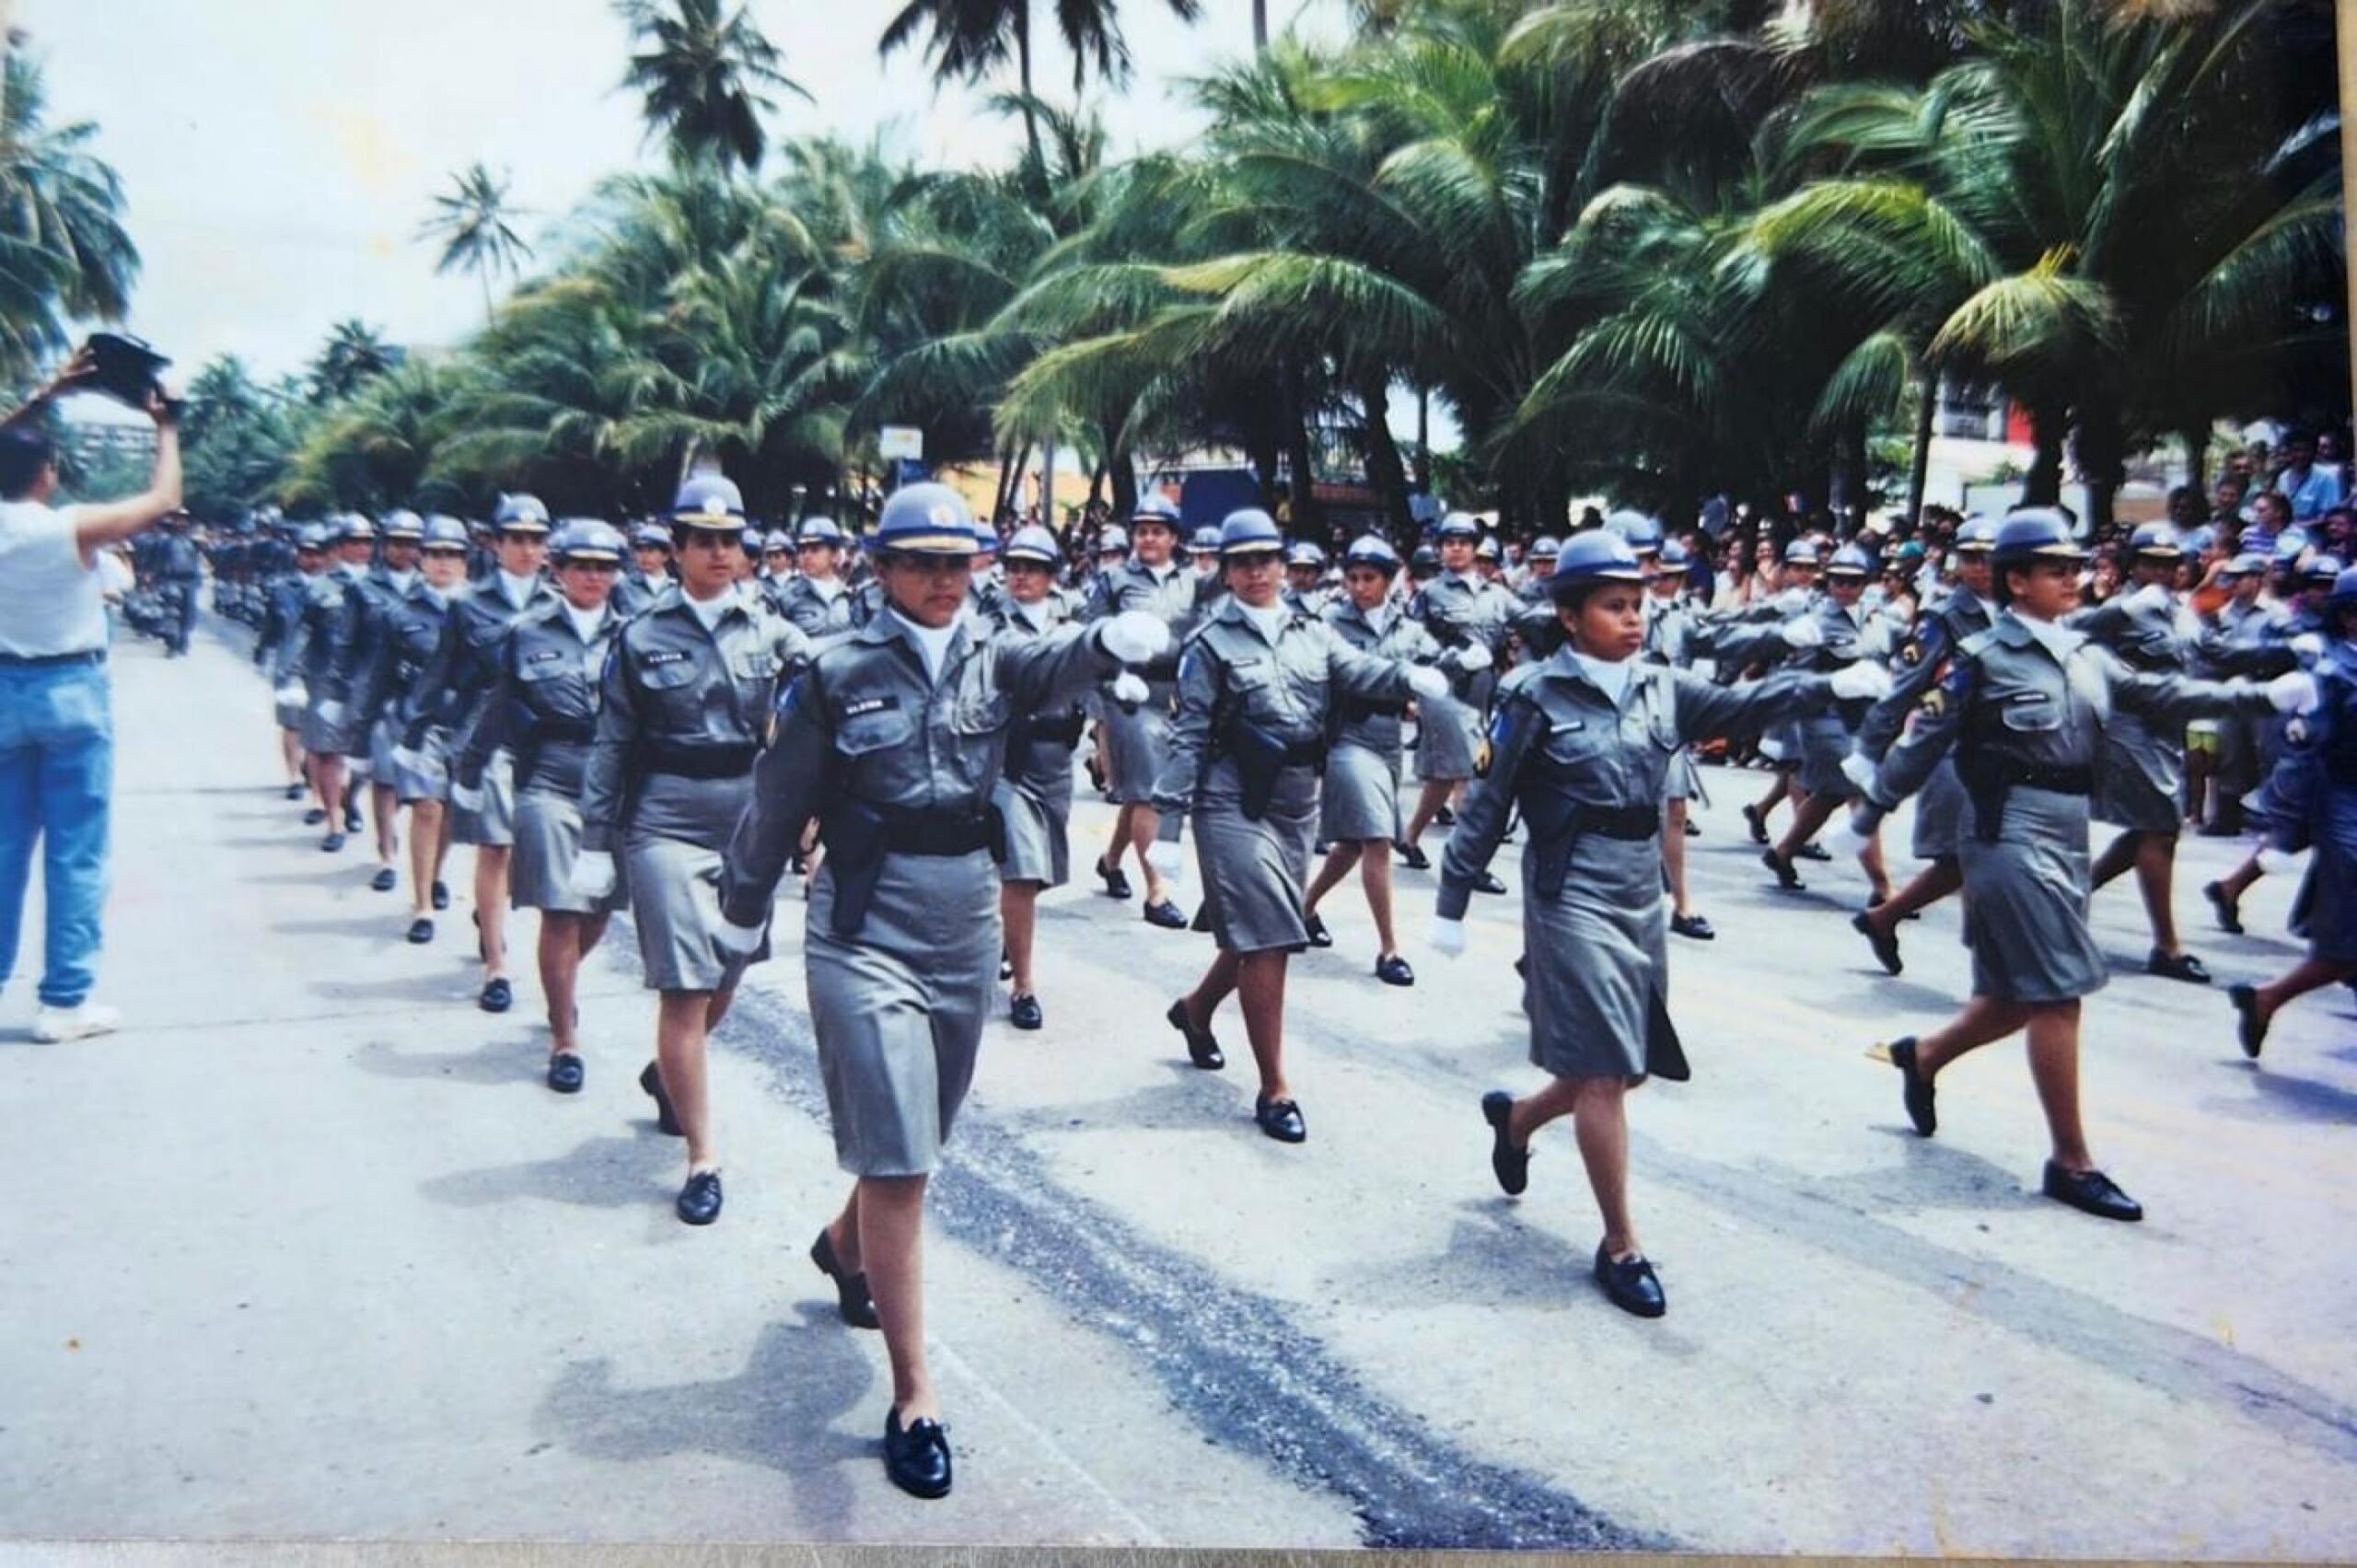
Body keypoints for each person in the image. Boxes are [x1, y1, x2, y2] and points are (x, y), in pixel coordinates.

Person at [718, 481, 1168, 1500]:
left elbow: (1058, 661)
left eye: (957, 561)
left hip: (963, 915)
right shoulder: (832, 672)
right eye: (919, 561)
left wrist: (1109, 640)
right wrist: (741, 915)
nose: (940, 579)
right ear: (880, 567)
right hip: (863, 920)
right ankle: (915, 1393)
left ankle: (846, 1248)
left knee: (918, 1134)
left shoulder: (995, 654)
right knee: (903, 1158)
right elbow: (778, 800)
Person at [1436, 530, 1888, 1317]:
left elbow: (1745, 705)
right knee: (1606, 1069)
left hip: (1638, 888)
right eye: (1613, 606)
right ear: (1570, 616)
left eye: (1638, 604)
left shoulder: (1661, 687)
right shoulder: (1532, 695)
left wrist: (1828, 685)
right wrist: (1452, 901)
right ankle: (1621, 1245)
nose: (1633, 618)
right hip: (1569, 889)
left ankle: (1518, 1119)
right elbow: (1489, 802)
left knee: (1622, 1068)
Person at [1848, 510, 2312, 1224]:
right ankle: (2071, 1161)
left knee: (2013, 997)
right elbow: (1922, 740)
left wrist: (2259, 696)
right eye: (2056, 569)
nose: (2074, 578)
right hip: (2006, 831)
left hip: (2068, 831)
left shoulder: (2084, 652)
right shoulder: (1980, 657)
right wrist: (1869, 809)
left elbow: (2162, 693)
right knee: (2059, 992)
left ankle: (1926, 1056)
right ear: (2017, 581)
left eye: (2076, 567)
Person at [1156, 510, 1450, 1142]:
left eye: (1266, 560)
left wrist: (1408, 678)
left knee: (1260, 929)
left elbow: (1359, 671)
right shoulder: (1209, 644)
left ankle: (1197, 1009)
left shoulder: (1313, 632)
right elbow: (1188, 733)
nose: (1256, 572)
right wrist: (1167, 825)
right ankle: (1274, 1086)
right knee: (1270, 937)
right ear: (1226, 572)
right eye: (1242, 562)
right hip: (1231, 797)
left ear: (1283, 566)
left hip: (1294, 798)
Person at [579, 474, 814, 1225]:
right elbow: (611, 744)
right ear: (675, 548)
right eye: (703, 540)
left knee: (727, 973)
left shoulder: (772, 631)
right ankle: (702, 1157)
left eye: (730, 540)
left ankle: (667, 1074)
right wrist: (595, 839)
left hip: (747, 820)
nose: (719, 552)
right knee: (684, 986)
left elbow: (828, 686)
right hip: (665, 820)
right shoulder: (640, 636)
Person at [0, 356, 181, 1042]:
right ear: (47, 474)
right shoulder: (69, 528)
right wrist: (166, 428)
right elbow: (162, 500)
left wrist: (48, 392)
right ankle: (64, 1003)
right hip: (71, 690)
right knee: (76, 851)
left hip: (4, 690)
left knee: (3, 848)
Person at [452, 520, 630, 1092]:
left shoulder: (637, 634)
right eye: (582, 566)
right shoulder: (525, 634)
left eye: (605, 568)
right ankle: (563, 1038)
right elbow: (499, 708)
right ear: (559, 571)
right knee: (561, 908)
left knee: (599, 909)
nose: (593, 577)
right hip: (549, 777)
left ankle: (561, 986)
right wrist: (470, 770)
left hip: (614, 785)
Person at [403, 494, 557, 1012]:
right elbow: (439, 673)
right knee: (496, 847)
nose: (527, 550)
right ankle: (496, 965)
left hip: (544, 742)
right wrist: (413, 738)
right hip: (486, 738)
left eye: (537, 540)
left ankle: (489, 914)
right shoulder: (469, 606)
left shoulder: (558, 604)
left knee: (526, 852)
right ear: (496, 544)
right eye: (517, 539)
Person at [987, 525, 1139, 1028]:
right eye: (1014, 567)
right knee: (1022, 868)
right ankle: (1024, 986)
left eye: (1033, 568)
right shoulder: (989, 624)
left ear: (1052, 575)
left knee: (1038, 874)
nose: (1021, 576)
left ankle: (1006, 936)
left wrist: (1115, 702)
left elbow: (1092, 680)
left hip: (1056, 763)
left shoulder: (1071, 627)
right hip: (1008, 760)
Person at [1300, 534, 1460, 983]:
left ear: (1388, 580)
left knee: (1352, 845)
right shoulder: (1328, 621)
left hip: (1388, 739)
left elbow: (1435, 662)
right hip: (1347, 736)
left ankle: (1304, 907)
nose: (1359, 586)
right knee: (1377, 839)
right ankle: (1389, 950)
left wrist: (1459, 661)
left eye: (1369, 578)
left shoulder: (1406, 627)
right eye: (1352, 577)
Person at [1846, 516, 1998, 974]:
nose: (1981, 567)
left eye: (1989, 558)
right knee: (1969, 858)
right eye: (1971, 558)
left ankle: (1884, 918)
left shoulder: (2019, 610)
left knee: (1968, 861)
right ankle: (1991, 970)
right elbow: (1905, 686)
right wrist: (1870, 749)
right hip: (1952, 748)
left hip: (2003, 752)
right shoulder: (1943, 617)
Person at [2069, 523, 2212, 981]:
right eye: (2151, 563)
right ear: (2133, 565)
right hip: (2130, 727)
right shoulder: (2122, 609)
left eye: (2169, 564)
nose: (2161, 572)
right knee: (2160, 831)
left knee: (2148, 830)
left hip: (2169, 727)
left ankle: (2068, 901)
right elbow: (2077, 636)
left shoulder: (2178, 610)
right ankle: (2167, 946)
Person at [2227, 566, 2357, 1055]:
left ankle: (2266, 1000)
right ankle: (2267, 999)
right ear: (2349, 616)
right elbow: (2305, 754)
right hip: (2342, 805)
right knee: (2346, 942)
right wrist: (2287, 827)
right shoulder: (2332, 674)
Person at [1086, 492, 1205, 927]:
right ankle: (1157, 893)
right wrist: (1107, 691)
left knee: (1145, 787)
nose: (1148, 538)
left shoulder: (1194, 581)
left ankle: (1110, 860)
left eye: (1157, 531)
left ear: (1174, 537)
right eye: (1141, 531)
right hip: (1129, 695)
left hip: (1175, 695)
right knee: (1146, 793)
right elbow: (1092, 639)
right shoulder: (1114, 580)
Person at [1760, 545, 1899, 900]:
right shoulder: (1816, 622)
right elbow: (1795, 675)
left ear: (1866, 583)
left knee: (1829, 795)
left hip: (1864, 719)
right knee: (1862, 793)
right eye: (1838, 581)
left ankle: (1784, 851)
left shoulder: (1878, 618)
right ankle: (1882, 887)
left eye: (1854, 582)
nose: (1845, 588)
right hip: (1825, 718)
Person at [364, 517, 471, 943]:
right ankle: (422, 904)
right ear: (422, 559)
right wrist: (363, 728)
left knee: (450, 812)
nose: (443, 562)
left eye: (453, 555)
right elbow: (381, 674)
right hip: (419, 721)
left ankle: (435, 873)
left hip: (469, 723)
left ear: (465, 561)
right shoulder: (401, 613)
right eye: (435, 554)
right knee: (427, 807)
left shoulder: (482, 610)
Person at [1398, 512, 1516, 874]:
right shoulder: (1430, 594)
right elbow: (1409, 641)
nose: (1456, 549)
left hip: (1481, 692)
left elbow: (1526, 623)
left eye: (1463, 543)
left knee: (1445, 776)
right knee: (1469, 770)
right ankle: (1469, 863)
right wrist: (1447, 661)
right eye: (1449, 543)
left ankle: (1409, 837)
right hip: (1443, 691)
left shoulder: (1497, 595)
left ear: (1475, 548)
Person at [341, 509, 426, 894]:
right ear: (384, 546)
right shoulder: (363, 589)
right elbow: (347, 643)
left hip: (421, 696)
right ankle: (387, 855)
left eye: (412, 543)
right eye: (397, 543)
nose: (405, 550)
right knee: (385, 777)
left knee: (423, 789)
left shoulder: (432, 589)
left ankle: (351, 794)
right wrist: (344, 691)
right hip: (377, 691)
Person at [290, 515, 377, 851]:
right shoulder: (320, 588)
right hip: (326, 677)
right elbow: (302, 633)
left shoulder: (382, 586)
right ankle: (335, 823)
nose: (361, 548)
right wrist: (293, 674)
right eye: (354, 542)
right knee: (328, 752)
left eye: (367, 542)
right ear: (339, 547)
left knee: (369, 758)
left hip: (370, 680)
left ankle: (348, 797)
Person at [256, 523, 328, 802]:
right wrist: (263, 651)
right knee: (292, 723)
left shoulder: (338, 588)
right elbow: (271, 626)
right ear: (297, 554)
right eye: (307, 553)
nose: (313, 559)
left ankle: (313, 771)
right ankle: (294, 776)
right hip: (290, 662)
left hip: (324, 665)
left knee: (319, 724)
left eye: (318, 553)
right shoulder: (282, 588)